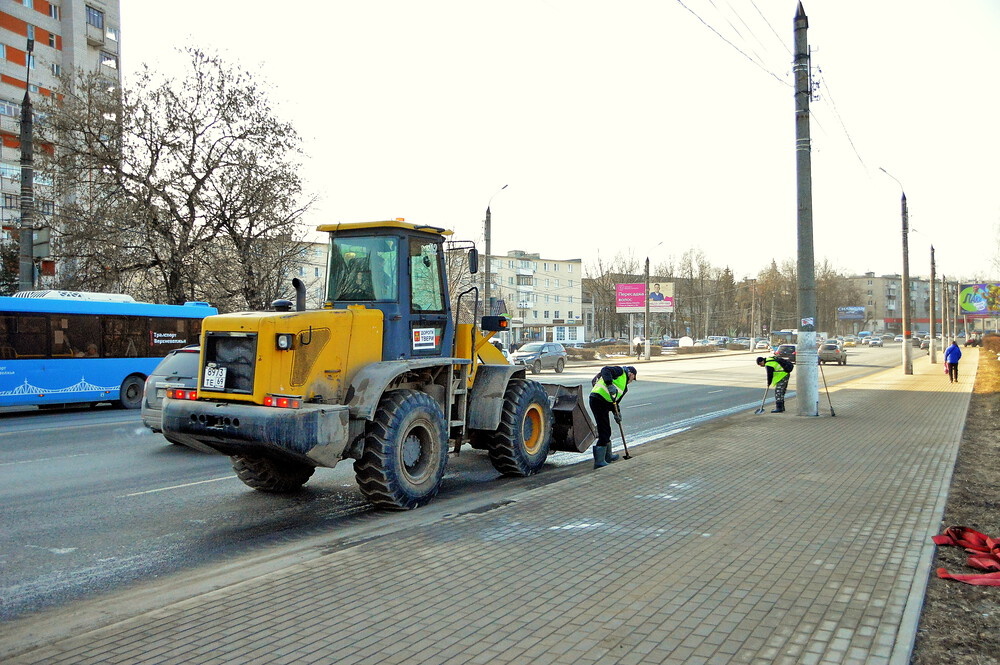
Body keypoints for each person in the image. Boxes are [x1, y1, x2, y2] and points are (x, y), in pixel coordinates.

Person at [588, 365, 637, 468]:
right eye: (633, 378)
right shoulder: (620, 371)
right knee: (603, 430)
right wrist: (609, 384)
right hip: (597, 400)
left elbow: (614, 402)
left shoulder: (624, 388)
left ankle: (608, 456)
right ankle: (599, 461)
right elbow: (605, 370)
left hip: (604, 403)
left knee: (607, 430)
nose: (632, 381)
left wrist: (617, 413)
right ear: (631, 374)